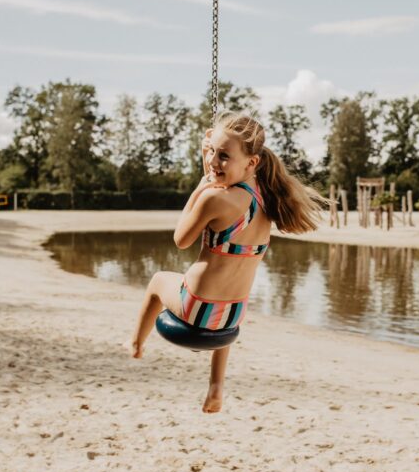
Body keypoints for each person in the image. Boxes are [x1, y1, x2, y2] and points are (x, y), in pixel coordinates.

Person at [129, 111, 327, 413]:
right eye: (212, 152)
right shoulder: (264, 197)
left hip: (195, 307)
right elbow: (221, 175)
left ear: (251, 162)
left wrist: (199, 187)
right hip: (233, 315)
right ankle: (216, 388)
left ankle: (136, 344)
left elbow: (181, 239)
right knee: (224, 293)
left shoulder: (215, 199)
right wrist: (210, 155)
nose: (213, 161)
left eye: (223, 155)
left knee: (157, 281)